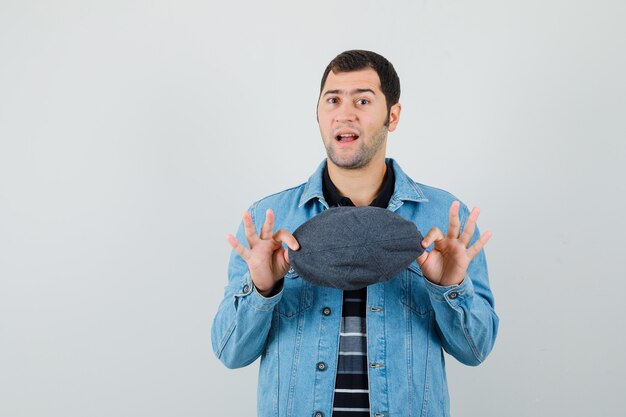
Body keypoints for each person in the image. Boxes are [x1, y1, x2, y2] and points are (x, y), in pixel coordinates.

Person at [211, 50, 498, 417]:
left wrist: (449, 288)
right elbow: (230, 353)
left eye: (363, 100)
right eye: (333, 100)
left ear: (392, 116)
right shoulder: (269, 221)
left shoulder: (445, 218)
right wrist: (263, 290)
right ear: (318, 113)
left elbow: (475, 350)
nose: (345, 113)